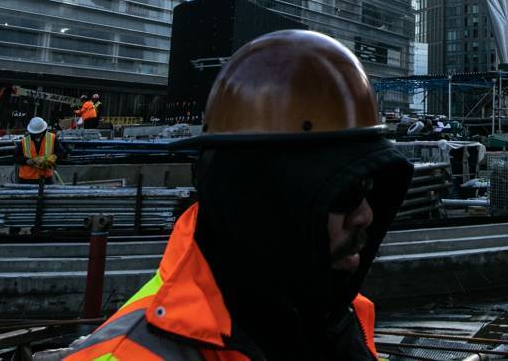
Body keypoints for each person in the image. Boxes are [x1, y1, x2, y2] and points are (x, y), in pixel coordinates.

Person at [66, 30, 413, 360]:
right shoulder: (133, 355)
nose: (366, 214)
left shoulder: (336, 316)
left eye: (369, 187)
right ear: (263, 203)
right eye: (347, 192)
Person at [15, 117, 57, 184]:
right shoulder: (24, 141)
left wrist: (51, 159)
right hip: (26, 179)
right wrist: (27, 161)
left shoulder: (52, 138)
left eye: (39, 133)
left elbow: (61, 154)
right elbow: (16, 157)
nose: (37, 135)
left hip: (45, 178)